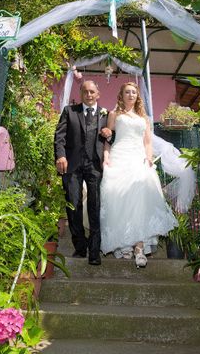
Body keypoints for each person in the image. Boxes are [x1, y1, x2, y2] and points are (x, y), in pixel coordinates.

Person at [100, 82, 178, 268]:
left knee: (140, 200)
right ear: (121, 95)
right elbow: (108, 139)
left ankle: (139, 247)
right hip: (119, 157)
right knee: (120, 199)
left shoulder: (144, 118)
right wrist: (106, 157)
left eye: (134, 92)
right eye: (127, 92)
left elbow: (148, 143)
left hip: (138, 159)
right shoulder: (114, 114)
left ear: (137, 96)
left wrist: (149, 158)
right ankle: (125, 244)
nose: (131, 95)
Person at [54, 80, 110, 265]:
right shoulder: (70, 111)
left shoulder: (106, 114)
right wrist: (60, 156)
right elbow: (59, 136)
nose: (89, 95)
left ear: (98, 93)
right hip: (72, 164)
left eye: (92, 91)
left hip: (94, 165)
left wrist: (110, 133)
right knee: (73, 205)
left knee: (94, 206)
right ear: (80, 93)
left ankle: (95, 252)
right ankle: (80, 247)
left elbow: (113, 137)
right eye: (85, 91)